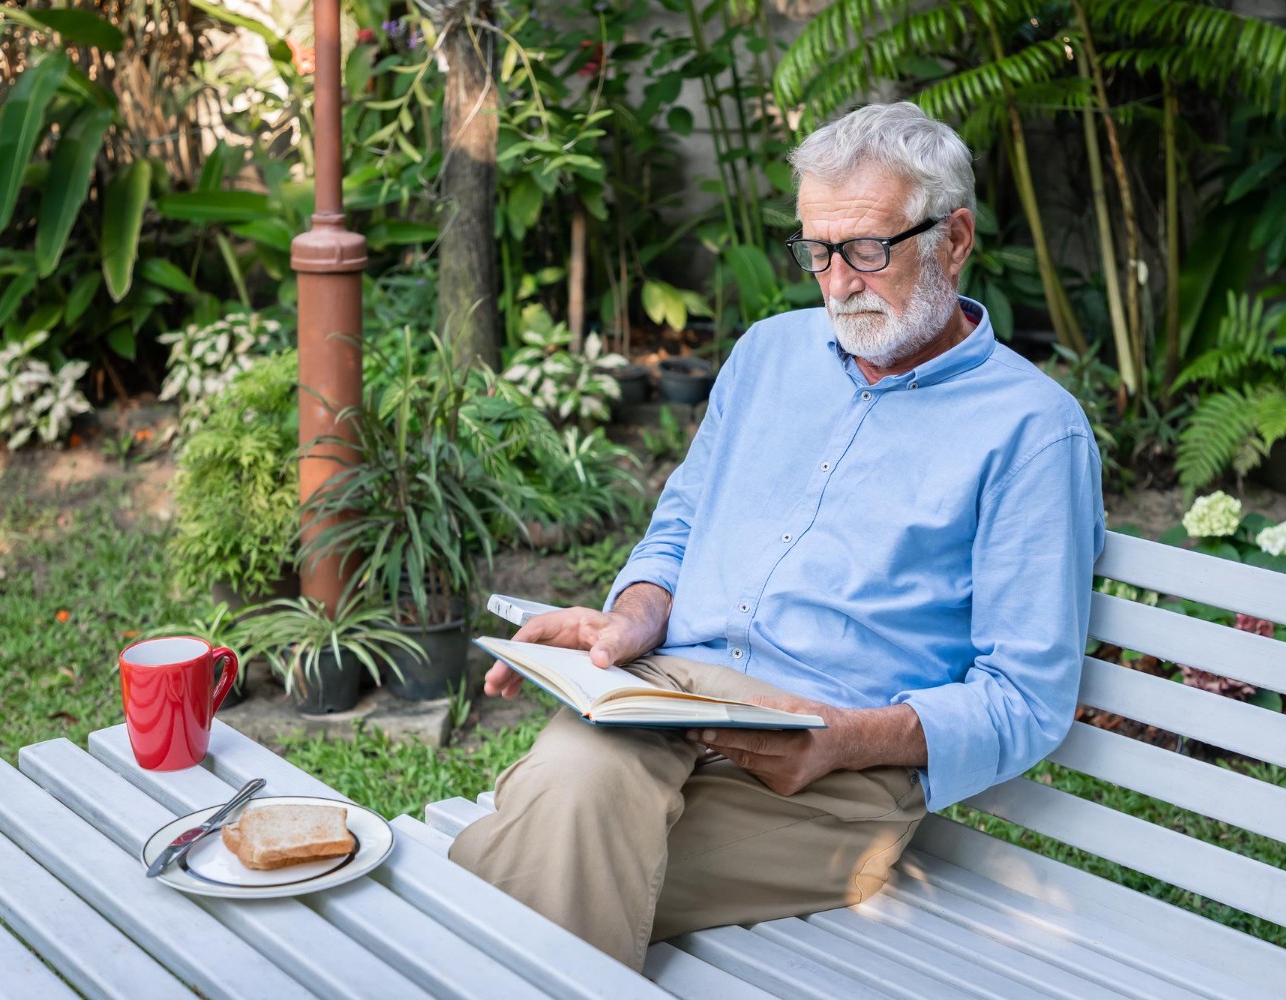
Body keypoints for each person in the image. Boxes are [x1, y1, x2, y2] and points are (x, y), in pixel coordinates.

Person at [448, 101, 1105, 971]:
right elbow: (681, 523)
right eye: (817, 251)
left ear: (953, 239)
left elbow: (1025, 697)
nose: (836, 283)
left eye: (867, 249)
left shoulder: (1033, 432)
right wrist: (635, 615)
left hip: (831, 776)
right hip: (670, 698)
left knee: (541, 830)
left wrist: (843, 738)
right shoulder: (767, 354)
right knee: (576, 805)